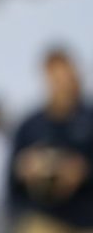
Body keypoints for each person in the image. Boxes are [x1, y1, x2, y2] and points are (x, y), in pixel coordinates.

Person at [7, 48, 93, 233]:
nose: (61, 85)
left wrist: (82, 170)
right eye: (55, 79)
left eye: (64, 77)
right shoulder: (30, 126)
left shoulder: (89, 117)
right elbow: (12, 178)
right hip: (46, 217)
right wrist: (27, 169)